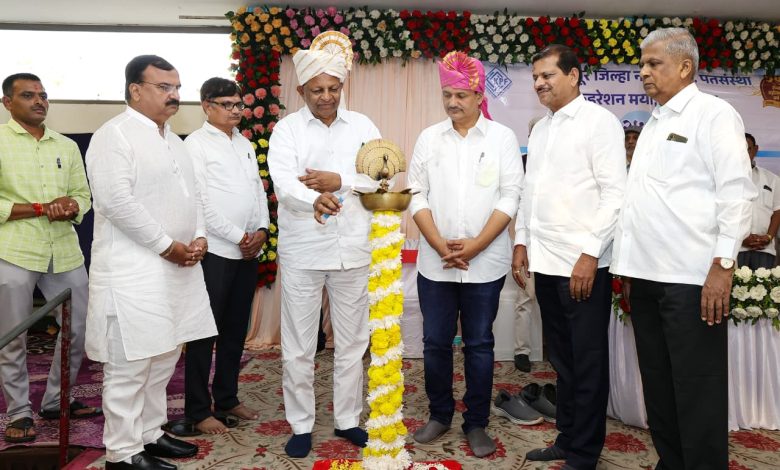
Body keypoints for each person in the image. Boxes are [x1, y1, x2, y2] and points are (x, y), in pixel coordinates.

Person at [611, 28, 755, 470]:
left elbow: (736, 193)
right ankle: (672, 462)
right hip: (646, 277)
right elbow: (641, 203)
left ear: (685, 66)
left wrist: (723, 266)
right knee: (658, 384)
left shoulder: (714, 115)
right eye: (642, 63)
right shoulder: (654, 124)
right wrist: (629, 269)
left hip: (691, 279)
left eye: (653, 63)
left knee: (697, 387)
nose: (643, 71)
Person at [85, 55, 218, 470]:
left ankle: (149, 432)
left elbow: (194, 196)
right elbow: (116, 203)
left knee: (164, 356)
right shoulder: (114, 135)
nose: (174, 95)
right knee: (131, 363)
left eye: (176, 87)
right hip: (134, 272)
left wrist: (199, 236)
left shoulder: (174, 139)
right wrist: (166, 246)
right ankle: (122, 452)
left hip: (178, 269)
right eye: (164, 87)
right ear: (135, 90)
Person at [267, 32, 380, 458]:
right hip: (304, 250)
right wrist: (313, 198)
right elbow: (283, 182)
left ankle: (348, 419)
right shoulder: (287, 130)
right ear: (301, 91)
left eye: (334, 88)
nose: (327, 97)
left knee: (353, 342)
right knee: (299, 344)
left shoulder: (363, 126)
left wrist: (340, 181)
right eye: (318, 90)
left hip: (354, 248)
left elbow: (381, 175)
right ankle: (301, 425)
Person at [513, 44, 626, 469]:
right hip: (545, 263)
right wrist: (521, 241)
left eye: (548, 75)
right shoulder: (541, 129)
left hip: (583, 268)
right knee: (561, 360)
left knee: (587, 361)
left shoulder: (600, 122)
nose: (539, 83)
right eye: (535, 77)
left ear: (574, 76)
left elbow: (614, 195)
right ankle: (568, 438)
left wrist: (590, 255)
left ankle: (584, 452)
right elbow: (530, 192)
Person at [407, 51, 523, 458]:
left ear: (478, 96)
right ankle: (440, 414)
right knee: (435, 343)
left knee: (479, 344)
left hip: (484, 264)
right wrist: (439, 243)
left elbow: (510, 195)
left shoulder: (501, 138)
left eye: (460, 95)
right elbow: (416, 193)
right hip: (435, 262)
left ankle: (476, 422)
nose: (452, 102)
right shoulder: (429, 138)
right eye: (447, 94)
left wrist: (476, 245)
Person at [0, 73, 101, 444]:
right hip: (14, 249)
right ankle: (19, 411)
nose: (39, 101)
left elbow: (83, 196)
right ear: (7, 103)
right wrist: (43, 208)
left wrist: (72, 204)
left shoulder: (66, 145)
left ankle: (57, 400)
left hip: (64, 250)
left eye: (43, 95)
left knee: (79, 328)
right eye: (28, 95)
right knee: (13, 334)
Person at [179, 77, 270, 435]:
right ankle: (198, 410)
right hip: (216, 252)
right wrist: (238, 237)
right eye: (227, 104)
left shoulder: (244, 143)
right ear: (206, 105)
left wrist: (261, 231)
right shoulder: (195, 145)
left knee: (235, 330)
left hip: (247, 252)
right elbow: (200, 202)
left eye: (238, 104)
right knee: (204, 333)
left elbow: (258, 191)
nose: (235, 111)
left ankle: (227, 398)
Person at [514, 116, 542, 373]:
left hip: (557, 245)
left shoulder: (560, 163)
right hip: (527, 241)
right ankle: (521, 351)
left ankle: (554, 349)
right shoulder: (521, 163)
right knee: (526, 297)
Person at [738, 133, 780, 269]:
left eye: (748, 149)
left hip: (764, 249)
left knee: (764, 283)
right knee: (731, 283)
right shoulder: (724, 180)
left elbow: (777, 211)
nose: (744, 154)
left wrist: (768, 237)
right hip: (734, 248)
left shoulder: (772, 179)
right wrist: (740, 238)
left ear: (755, 149)